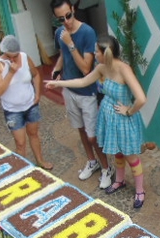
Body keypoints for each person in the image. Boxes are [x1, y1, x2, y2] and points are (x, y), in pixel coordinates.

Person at [46, 35, 148, 208]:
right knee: (116, 152)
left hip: (123, 119)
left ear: (105, 53)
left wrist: (129, 111)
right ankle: (120, 180)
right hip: (108, 116)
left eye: (96, 51)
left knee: (131, 156)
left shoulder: (124, 69)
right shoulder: (101, 68)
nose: (93, 54)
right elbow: (83, 81)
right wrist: (59, 84)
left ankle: (140, 191)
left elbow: (141, 99)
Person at [50, 0, 114, 189]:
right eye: (61, 19)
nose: (66, 21)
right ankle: (92, 161)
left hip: (87, 92)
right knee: (80, 129)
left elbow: (86, 68)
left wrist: (70, 44)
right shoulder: (59, 33)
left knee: (92, 135)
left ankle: (106, 168)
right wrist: (56, 70)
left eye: (68, 16)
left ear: (73, 9)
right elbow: (62, 54)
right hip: (69, 89)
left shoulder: (87, 32)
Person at [0, 35, 53, 171]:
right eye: (9, 56)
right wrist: (11, 72)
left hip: (30, 105)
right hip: (12, 110)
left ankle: (40, 161)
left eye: (15, 55)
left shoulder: (24, 57)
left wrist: (37, 93)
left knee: (34, 134)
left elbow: (35, 74)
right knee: (20, 142)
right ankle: (22, 170)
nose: (13, 59)